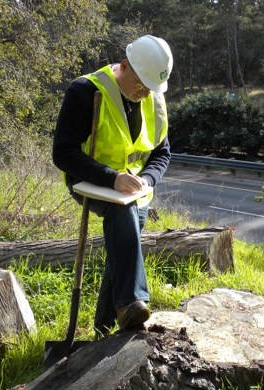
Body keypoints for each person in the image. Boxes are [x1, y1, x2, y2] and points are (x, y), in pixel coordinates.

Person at [52, 35, 173, 337]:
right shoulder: (85, 92)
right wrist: (111, 178)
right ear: (124, 67)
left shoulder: (152, 99)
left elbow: (161, 152)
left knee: (124, 250)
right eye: (141, 84)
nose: (145, 93)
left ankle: (104, 327)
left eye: (151, 88)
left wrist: (147, 179)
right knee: (123, 221)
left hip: (135, 189)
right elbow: (63, 153)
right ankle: (133, 300)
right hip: (91, 182)